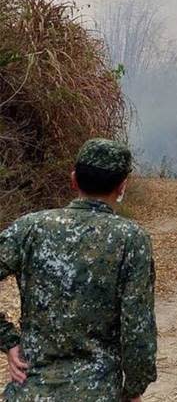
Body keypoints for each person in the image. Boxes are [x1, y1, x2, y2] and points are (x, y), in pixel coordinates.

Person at [0, 139, 157, 401]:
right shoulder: (131, 239)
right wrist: (134, 388)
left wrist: (8, 341)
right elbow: (137, 326)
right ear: (121, 187)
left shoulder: (29, 228)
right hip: (100, 391)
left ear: (73, 180)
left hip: (30, 388)